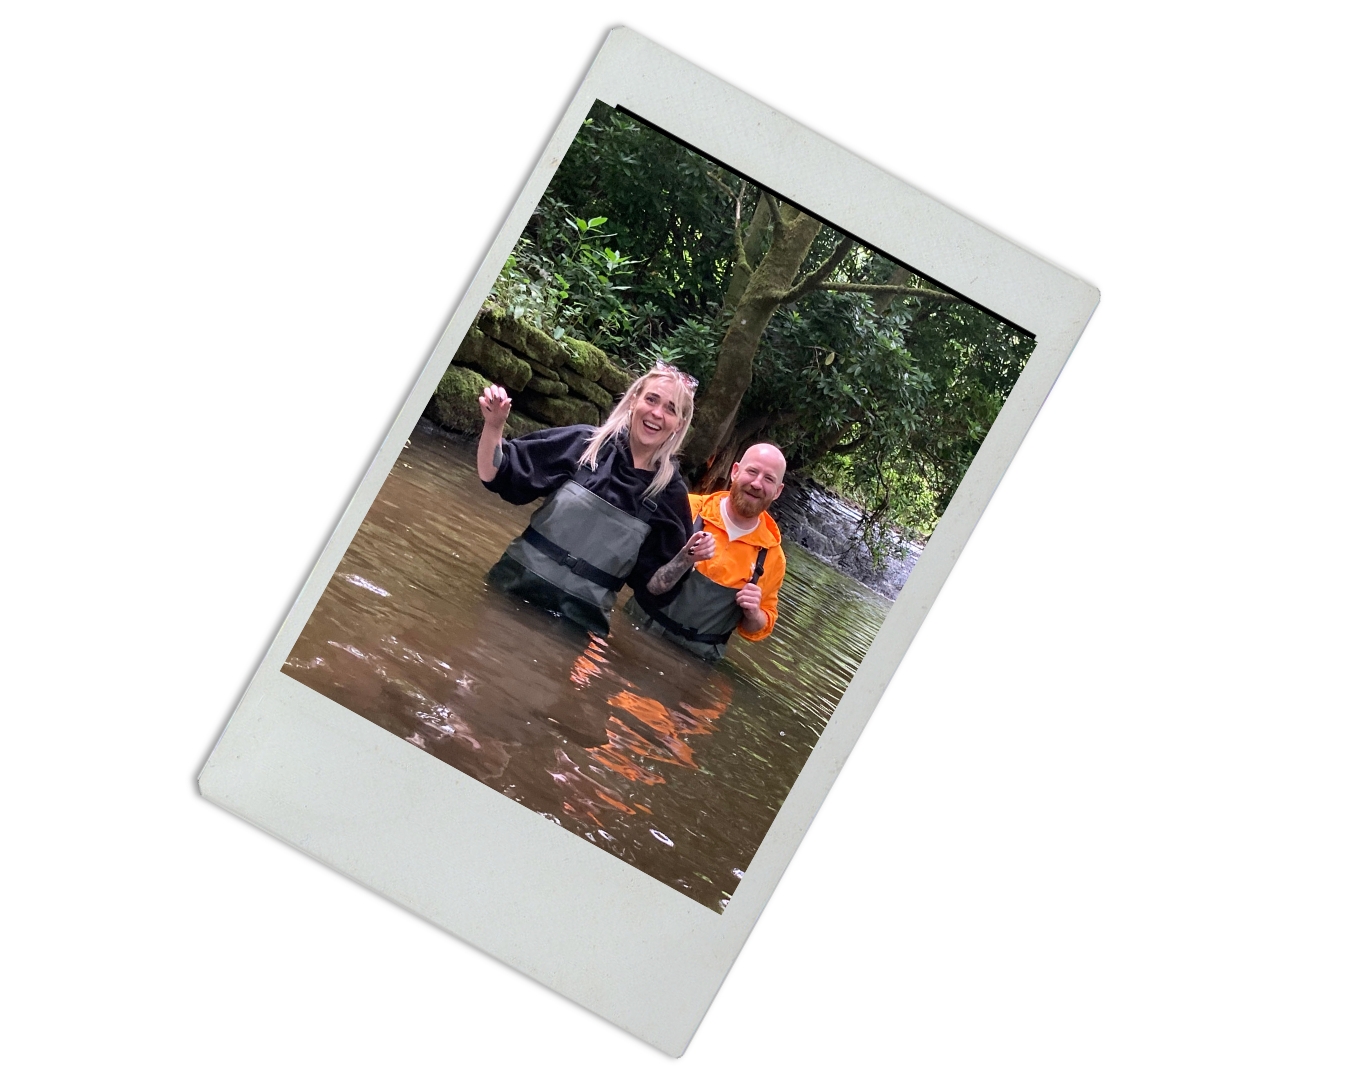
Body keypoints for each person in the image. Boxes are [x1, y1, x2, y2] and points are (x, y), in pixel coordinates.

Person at [476, 362, 697, 637]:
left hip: (574, 628)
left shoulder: (670, 494)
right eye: (651, 399)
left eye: (670, 409)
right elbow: (494, 474)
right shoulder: (584, 444)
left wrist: (685, 559)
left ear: (679, 425)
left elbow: (653, 591)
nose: (657, 413)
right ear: (633, 401)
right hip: (507, 593)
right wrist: (494, 426)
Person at [624, 443, 788, 662]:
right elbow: (634, 565)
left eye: (768, 479)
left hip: (696, 659)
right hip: (636, 629)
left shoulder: (773, 557)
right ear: (735, 471)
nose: (757, 484)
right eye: (752, 471)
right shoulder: (686, 507)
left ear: (777, 491)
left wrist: (754, 612)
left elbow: (757, 627)